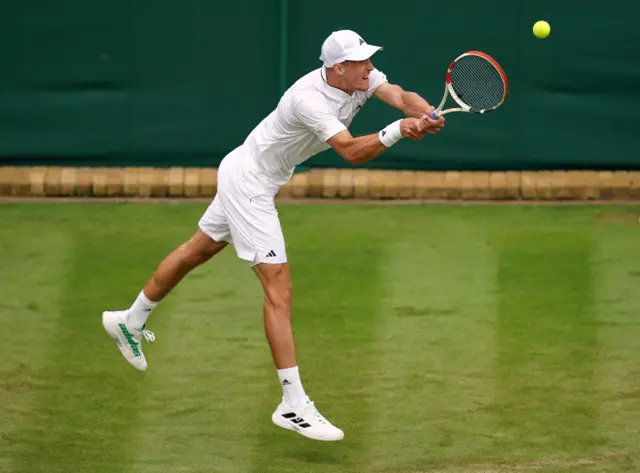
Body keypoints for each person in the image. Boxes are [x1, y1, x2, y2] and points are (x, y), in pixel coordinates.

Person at [102, 29, 445, 442]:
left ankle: (129, 320)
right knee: (278, 286)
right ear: (338, 68)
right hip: (249, 182)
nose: (370, 67)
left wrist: (426, 113)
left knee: (195, 252)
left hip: (249, 173)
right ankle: (293, 403)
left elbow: (401, 95)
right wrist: (397, 131)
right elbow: (351, 152)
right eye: (361, 61)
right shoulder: (309, 99)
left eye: (369, 60)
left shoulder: (361, 76)